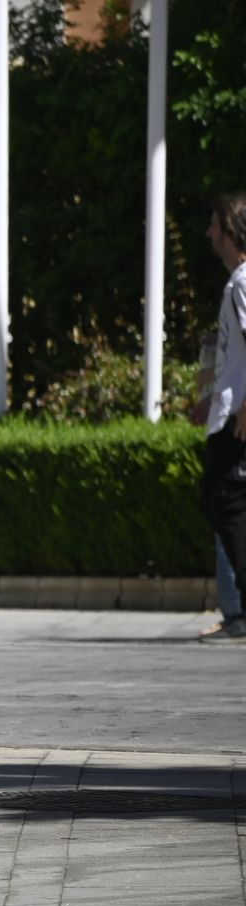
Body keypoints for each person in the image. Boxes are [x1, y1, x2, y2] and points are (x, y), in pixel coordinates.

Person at [198, 192, 246, 644]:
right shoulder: (237, 282)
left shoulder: (243, 282)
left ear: (231, 230)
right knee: (221, 505)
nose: (210, 234)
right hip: (228, 415)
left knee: (226, 505)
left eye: (215, 225)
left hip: (237, 420)